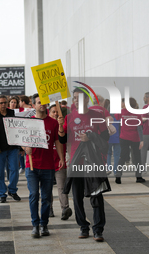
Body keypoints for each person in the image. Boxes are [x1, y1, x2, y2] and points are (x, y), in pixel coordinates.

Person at [58, 88, 110, 242]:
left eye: (79, 98)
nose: (75, 101)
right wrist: (60, 127)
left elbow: (105, 137)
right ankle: (83, 227)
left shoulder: (97, 115)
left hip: (94, 162)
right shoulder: (69, 117)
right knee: (77, 197)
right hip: (76, 163)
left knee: (97, 196)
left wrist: (91, 137)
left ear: (87, 99)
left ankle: (98, 230)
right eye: (74, 98)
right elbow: (62, 140)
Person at [24, 93, 65, 238]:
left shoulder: (53, 123)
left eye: (44, 102)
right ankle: (35, 225)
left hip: (48, 165)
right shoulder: (28, 122)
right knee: (34, 194)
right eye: (39, 102)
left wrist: (61, 157)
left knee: (47, 197)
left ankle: (44, 224)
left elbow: (57, 141)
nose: (42, 104)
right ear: (33, 105)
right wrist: (24, 148)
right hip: (32, 165)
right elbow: (21, 139)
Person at [0, 95, 23, 203]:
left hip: (12, 147)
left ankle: (12, 190)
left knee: (15, 170)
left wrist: (21, 147)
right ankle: (2, 193)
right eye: (1, 103)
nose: (3, 105)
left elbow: (19, 130)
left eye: (5, 103)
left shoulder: (13, 114)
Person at [48, 104, 72, 220]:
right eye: (53, 112)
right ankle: (49, 208)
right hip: (47, 162)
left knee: (62, 187)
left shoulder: (64, 126)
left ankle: (65, 209)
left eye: (58, 112)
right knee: (47, 187)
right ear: (49, 113)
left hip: (60, 161)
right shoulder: (45, 125)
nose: (56, 114)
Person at [115, 98, 145, 184]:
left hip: (123, 137)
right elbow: (139, 128)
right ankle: (139, 177)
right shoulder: (137, 113)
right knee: (137, 158)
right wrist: (141, 140)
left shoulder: (122, 111)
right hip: (135, 138)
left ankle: (118, 175)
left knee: (123, 157)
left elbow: (116, 116)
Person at [104, 99, 121, 175]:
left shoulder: (107, 117)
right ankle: (115, 170)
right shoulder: (118, 117)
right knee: (117, 154)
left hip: (109, 137)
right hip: (117, 138)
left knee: (108, 153)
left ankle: (108, 168)